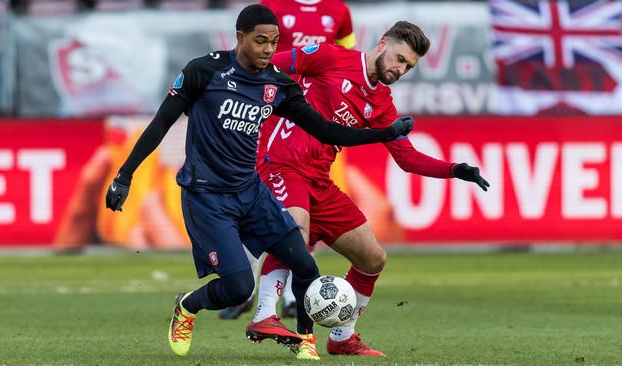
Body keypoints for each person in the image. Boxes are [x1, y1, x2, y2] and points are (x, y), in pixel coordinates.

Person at [104, 4, 414, 360]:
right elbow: (159, 125)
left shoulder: (276, 84)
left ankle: (305, 343)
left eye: (274, 42)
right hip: (207, 196)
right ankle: (187, 306)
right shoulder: (204, 71)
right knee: (238, 288)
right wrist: (124, 176)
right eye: (261, 41)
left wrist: (384, 133)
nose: (268, 50)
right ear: (240, 38)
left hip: (251, 194)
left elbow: (326, 129)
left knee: (306, 266)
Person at [246, 21, 490, 358]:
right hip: (281, 163)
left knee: (373, 258)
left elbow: (407, 158)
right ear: (383, 43)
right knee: (294, 235)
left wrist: (455, 170)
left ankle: (342, 337)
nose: (401, 69)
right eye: (399, 59)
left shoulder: (382, 104)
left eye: (408, 66)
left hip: (319, 179)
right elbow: (271, 65)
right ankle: (265, 315)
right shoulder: (331, 57)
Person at [219, 0, 356, 321]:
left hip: (312, 117)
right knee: (254, 198)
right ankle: (244, 289)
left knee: (302, 206)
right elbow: (249, 55)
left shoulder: (338, 10)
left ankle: (296, 297)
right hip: (269, 108)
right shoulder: (271, 7)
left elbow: (347, 58)